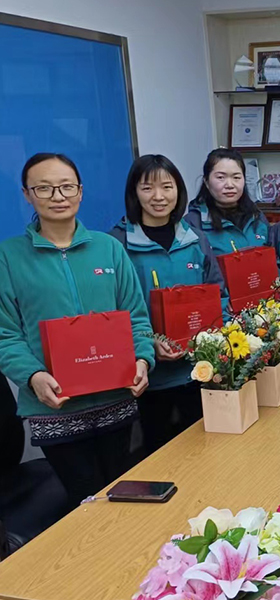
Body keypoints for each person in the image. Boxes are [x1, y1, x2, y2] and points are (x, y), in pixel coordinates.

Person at [0, 153, 154, 508]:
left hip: (116, 401)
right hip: (55, 408)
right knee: (83, 503)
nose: (58, 196)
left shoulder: (109, 248)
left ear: (80, 192)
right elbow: (6, 334)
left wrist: (143, 360)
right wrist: (33, 376)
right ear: (27, 194)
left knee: (123, 497)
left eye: (67, 186)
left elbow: (136, 317)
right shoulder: (9, 257)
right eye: (44, 188)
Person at [110, 154, 227, 456]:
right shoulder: (117, 245)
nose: (159, 196)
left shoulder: (195, 239)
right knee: (159, 457)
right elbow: (112, 312)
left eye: (167, 186)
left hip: (197, 371)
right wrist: (147, 344)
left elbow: (218, 294)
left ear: (179, 190)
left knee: (206, 452)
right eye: (147, 188)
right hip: (148, 381)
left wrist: (210, 340)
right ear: (134, 192)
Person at [185, 148, 270, 256]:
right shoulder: (193, 222)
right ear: (206, 182)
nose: (230, 185)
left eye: (236, 177)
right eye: (221, 177)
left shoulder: (256, 216)